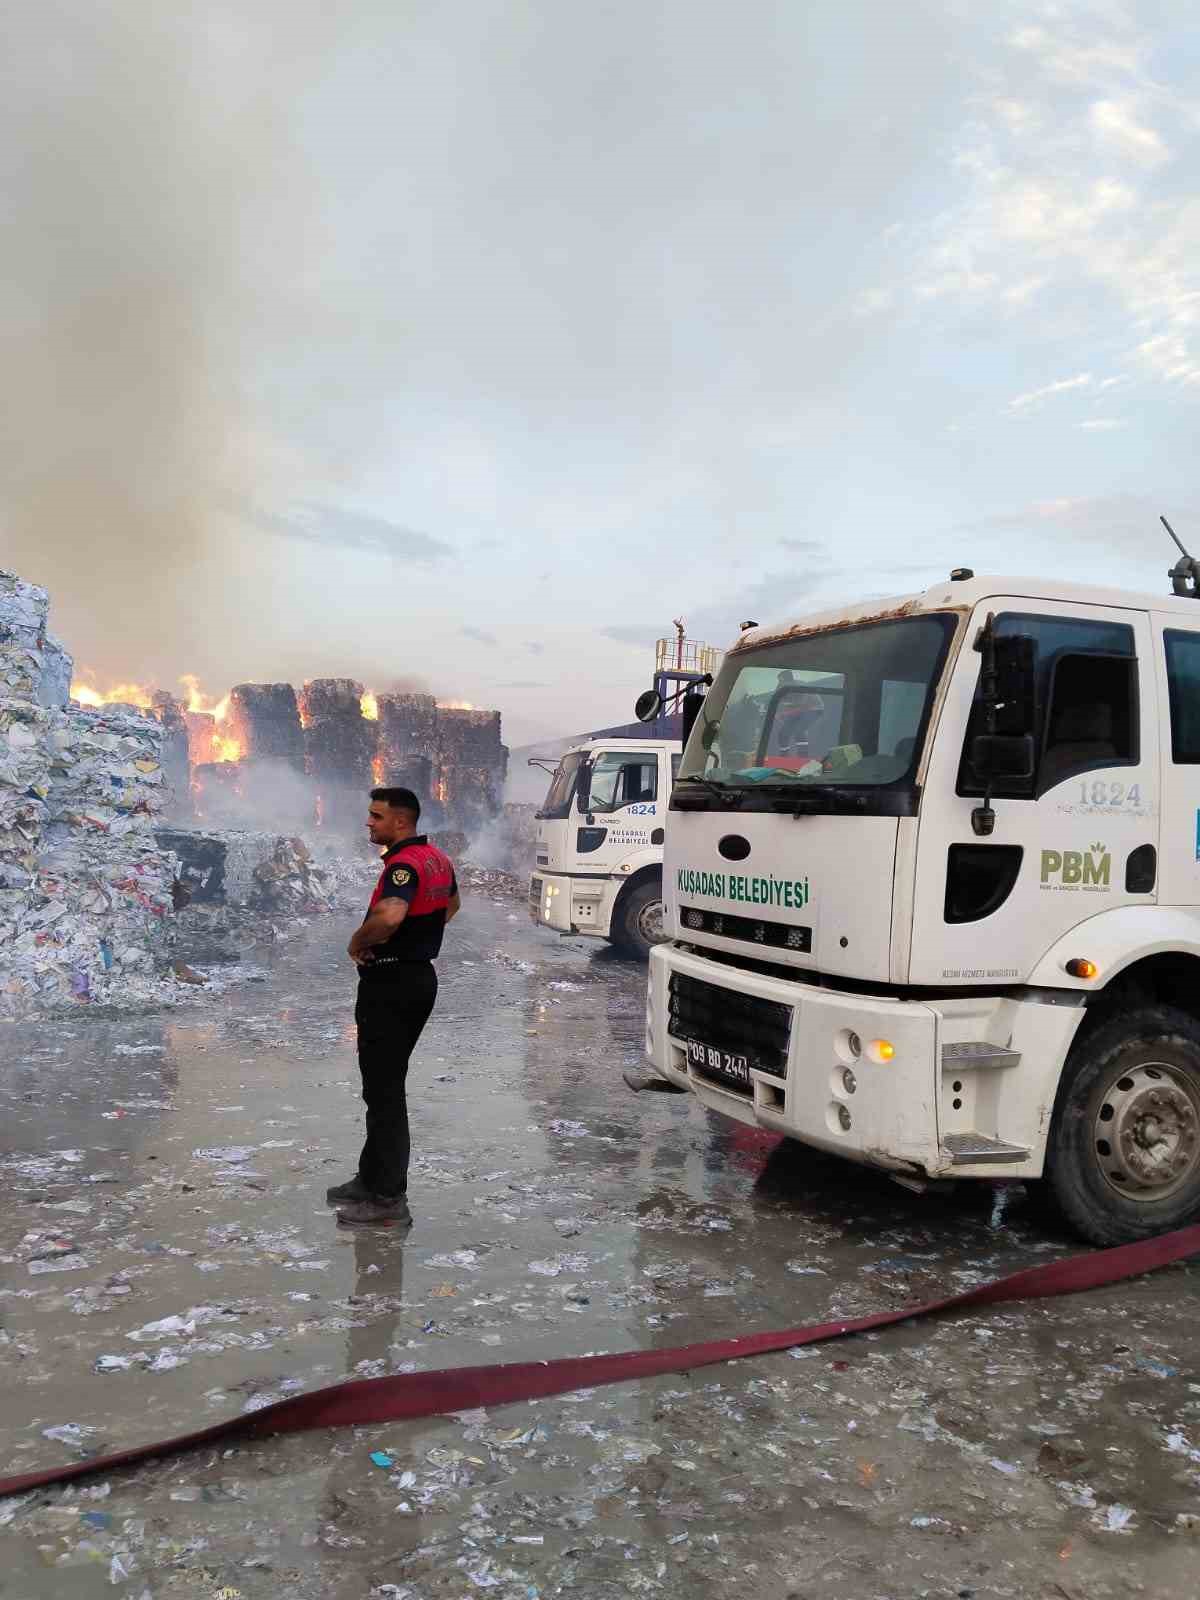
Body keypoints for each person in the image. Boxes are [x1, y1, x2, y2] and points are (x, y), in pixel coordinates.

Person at [327, 787, 460, 1228]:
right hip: (415, 976)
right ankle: (370, 1178)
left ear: (400, 822)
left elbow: (388, 918)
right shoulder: (436, 859)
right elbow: (451, 905)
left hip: (393, 982)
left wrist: (356, 942)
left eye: (376, 816)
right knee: (381, 1087)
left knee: (384, 1092)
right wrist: (418, 939)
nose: (369, 823)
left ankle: (387, 1200)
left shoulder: (403, 866)